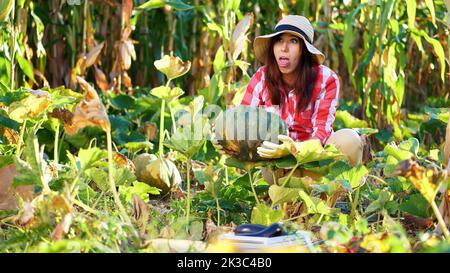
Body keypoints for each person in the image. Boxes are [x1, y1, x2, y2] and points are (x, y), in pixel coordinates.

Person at [214, 15, 363, 183]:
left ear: (304, 50)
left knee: (350, 140)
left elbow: (321, 132)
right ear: (273, 47)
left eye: (293, 41)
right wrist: (227, 142)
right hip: (277, 165)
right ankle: (291, 198)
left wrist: (292, 149)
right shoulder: (261, 78)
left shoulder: (326, 79)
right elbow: (242, 124)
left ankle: (324, 194)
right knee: (273, 167)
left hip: (315, 161)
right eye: (279, 41)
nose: (284, 48)